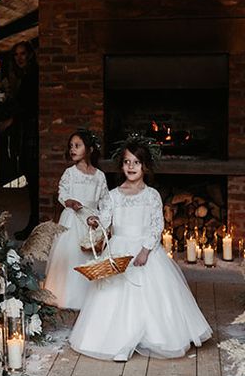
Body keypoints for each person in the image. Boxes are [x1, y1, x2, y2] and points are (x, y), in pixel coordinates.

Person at [70, 139, 212, 361]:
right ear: (121, 166)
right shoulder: (113, 195)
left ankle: (154, 337)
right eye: (127, 162)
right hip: (118, 248)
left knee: (151, 295)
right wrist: (94, 221)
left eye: (136, 162)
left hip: (144, 249)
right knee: (113, 295)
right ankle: (116, 341)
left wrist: (146, 250)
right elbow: (105, 219)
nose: (131, 167)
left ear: (145, 166)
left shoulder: (151, 195)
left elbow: (157, 225)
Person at [43, 130, 111, 310]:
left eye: (77, 145)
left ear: (89, 149)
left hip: (91, 218)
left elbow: (105, 200)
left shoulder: (99, 176)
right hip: (73, 218)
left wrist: (101, 217)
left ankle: (90, 297)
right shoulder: (70, 173)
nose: (73, 149)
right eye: (71, 146)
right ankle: (67, 296)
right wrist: (69, 202)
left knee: (90, 255)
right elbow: (62, 192)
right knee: (71, 255)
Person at [0, 41, 39, 240]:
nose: (19, 58)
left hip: (33, 131)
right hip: (26, 131)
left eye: (23, 54)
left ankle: (36, 223)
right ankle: (34, 222)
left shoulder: (33, 76)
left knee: (34, 178)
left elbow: (29, 106)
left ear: (30, 55)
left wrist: (11, 119)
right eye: (16, 55)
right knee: (31, 177)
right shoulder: (20, 77)